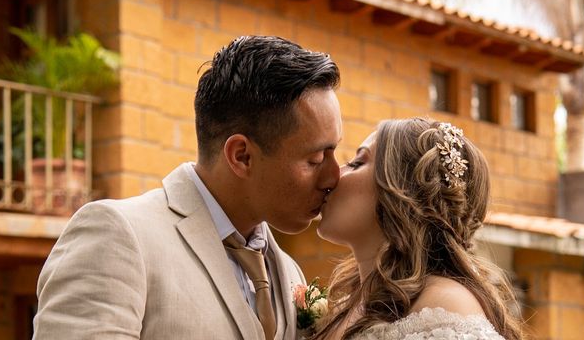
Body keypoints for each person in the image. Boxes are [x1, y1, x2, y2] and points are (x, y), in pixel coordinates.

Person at [33, 36, 343, 340]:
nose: (334, 176)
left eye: (335, 152)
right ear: (242, 156)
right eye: (316, 159)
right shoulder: (118, 235)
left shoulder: (290, 273)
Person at [316, 118, 523, 339]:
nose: (337, 173)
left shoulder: (447, 306)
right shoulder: (345, 306)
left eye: (357, 163)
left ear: (400, 193)